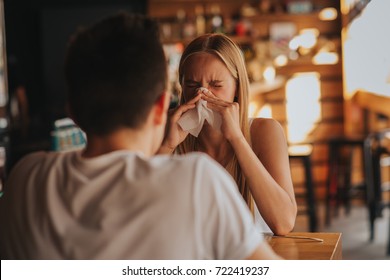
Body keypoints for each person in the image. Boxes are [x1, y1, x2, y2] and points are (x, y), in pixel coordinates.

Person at [0, 13, 281, 260]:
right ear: (162, 106)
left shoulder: (24, 178)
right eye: (192, 84)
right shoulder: (198, 179)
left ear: (71, 113)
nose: (202, 96)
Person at [158, 34, 297, 235]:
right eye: (192, 85)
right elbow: (134, 214)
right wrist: (166, 147)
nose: (203, 95)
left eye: (216, 84)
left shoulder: (265, 132)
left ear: (237, 88)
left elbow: (283, 223)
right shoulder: (167, 131)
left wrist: (237, 139)